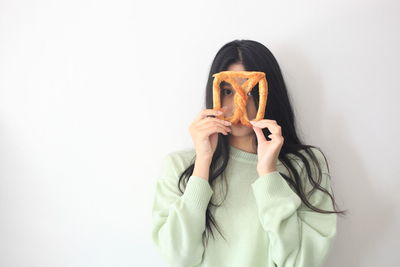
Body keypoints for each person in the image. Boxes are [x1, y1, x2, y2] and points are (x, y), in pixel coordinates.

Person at [151, 39, 347, 267]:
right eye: (226, 90)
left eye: (251, 90)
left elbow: (300, 262)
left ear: (269, 94)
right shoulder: (179, 166)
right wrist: (202, 164)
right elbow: (178, 258)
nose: (239, 103)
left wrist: (268, 174)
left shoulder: (306, 165)